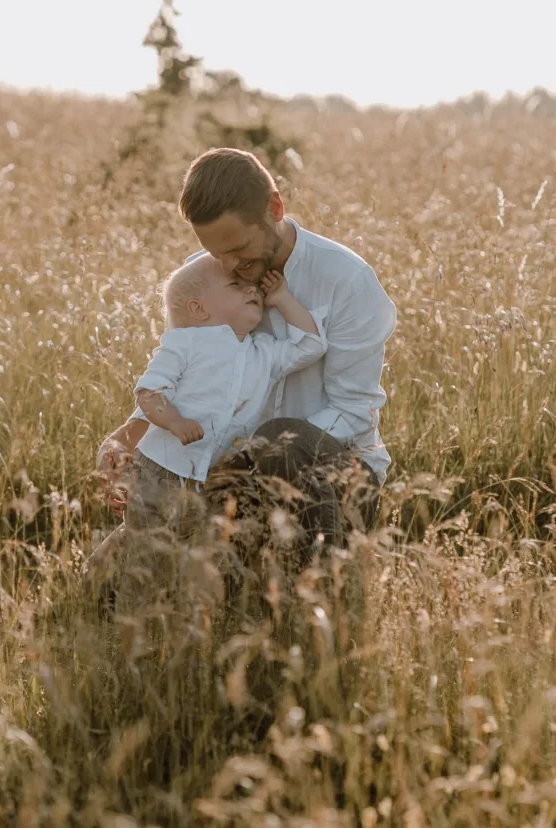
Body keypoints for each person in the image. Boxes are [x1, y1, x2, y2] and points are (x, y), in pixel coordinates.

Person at [96, 147, 397, 550]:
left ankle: (315, 594)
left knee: (279, 438)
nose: (230, 265)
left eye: (238, 249)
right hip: (224, 472)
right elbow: (187, 369)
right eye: (216, 252)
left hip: (334, 475)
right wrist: (127, 437)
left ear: (275, 208)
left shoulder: (347, 281)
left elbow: (353, 412)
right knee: (111, 578)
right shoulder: (205, 274)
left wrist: (250, 456)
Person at [125, 254, 327, 532]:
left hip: (215, 479)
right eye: (236, 285)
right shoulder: (184, 343)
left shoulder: (263, 352)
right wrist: (175, 421)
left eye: (253, 285)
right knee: (145, 548)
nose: (253, 289)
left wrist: (282, 298)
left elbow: (312, 345)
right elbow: (150, 392)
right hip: (159, 471)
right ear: (199, 309)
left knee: (196, 555)